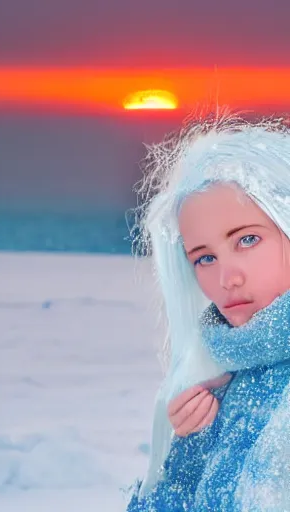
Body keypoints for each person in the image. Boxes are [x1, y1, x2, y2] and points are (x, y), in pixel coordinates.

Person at [127, 112, 290, 510]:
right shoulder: (219, 384)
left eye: (248, 239)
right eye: (203, 258)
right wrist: (191, 454)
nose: (226, 278)